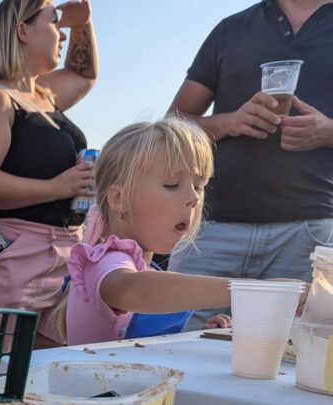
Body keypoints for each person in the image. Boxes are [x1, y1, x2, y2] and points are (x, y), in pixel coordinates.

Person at [62, 117, 306, 345]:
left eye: (199, 187)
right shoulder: (108, 260)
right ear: (119, 198)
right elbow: (132, 290)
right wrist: (253, 290)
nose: (193, 198)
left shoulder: (144, 269)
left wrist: (201, 334)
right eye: (172, 185)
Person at [168, 0, 333, 328]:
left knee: (288, 368)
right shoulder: (231, 29)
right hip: (211, 231)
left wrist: (328, 131)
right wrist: (231, 121)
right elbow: (174, 123)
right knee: (170, 349)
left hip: (309, 237)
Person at [0, 0, 99, 348]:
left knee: (45, 375)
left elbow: (84, 74)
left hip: (61, 253)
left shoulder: (43, 95)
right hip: (10, 252)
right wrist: (55, 187)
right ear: (22, 30)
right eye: (54, 23)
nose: (61, 34)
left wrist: (83, 24)